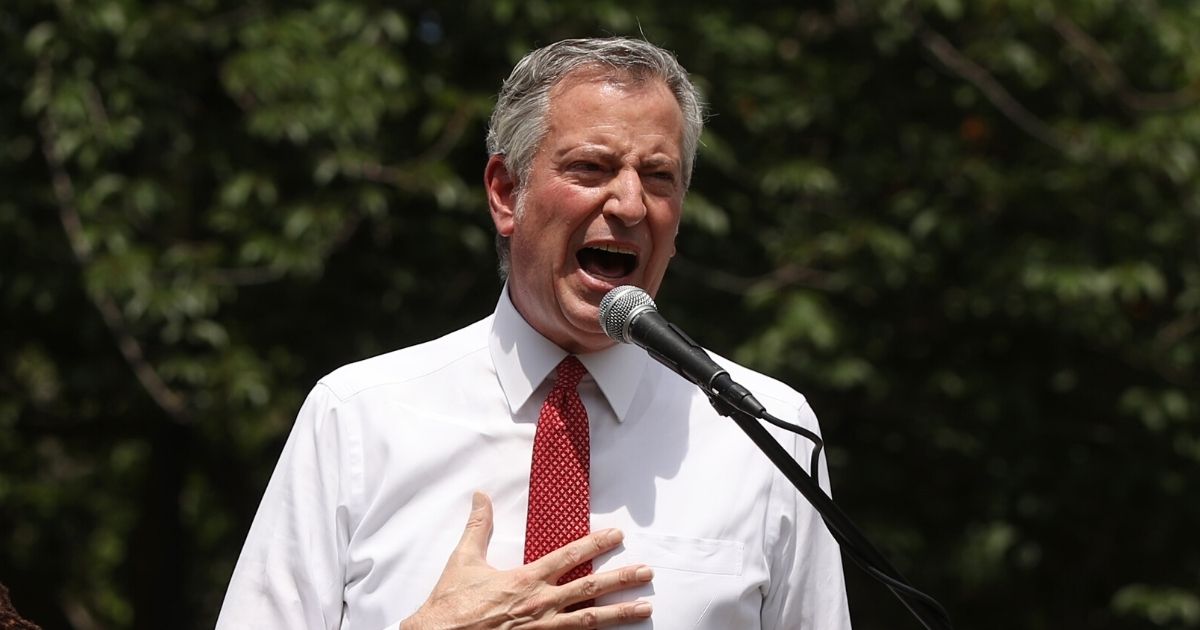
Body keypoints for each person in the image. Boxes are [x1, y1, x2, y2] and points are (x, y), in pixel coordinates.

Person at [216, 37, 851, 629]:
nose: (630, 205)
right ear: (504, 193)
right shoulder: (356, 418)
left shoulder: (764, 431)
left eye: (659, 177)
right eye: (591, 168)